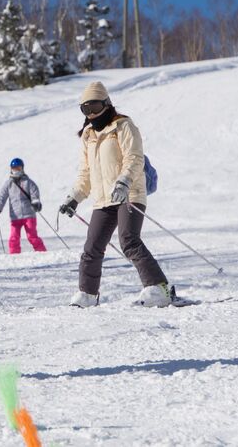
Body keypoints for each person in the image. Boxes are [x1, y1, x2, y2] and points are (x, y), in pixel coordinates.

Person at [59, 81, 170, 308]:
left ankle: (159, 288)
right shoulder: (88, 135)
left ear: (107, 103)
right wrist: (74, 197)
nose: (91, 113)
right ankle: (88, 295)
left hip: (129, 193)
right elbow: (86, 173)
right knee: (92, 247)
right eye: (85, 109)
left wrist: (124, 182)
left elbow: (134, 158)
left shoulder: (123, 126)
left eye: (95, 106)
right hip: (103, 200)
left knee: (128, 240)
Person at [0, 158, 47, 254]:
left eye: (18, 168)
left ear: (22, 168)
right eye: (14, 168)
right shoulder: (8, 184)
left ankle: (42, 253)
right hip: (15, 216)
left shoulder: (28, 182)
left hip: (29, 214)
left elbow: (34, 193)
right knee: (14, 238)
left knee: (32, 236)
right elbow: (2, 197)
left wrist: (36, 203)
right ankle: (14, 255)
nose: (16, 170)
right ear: (11, 169)